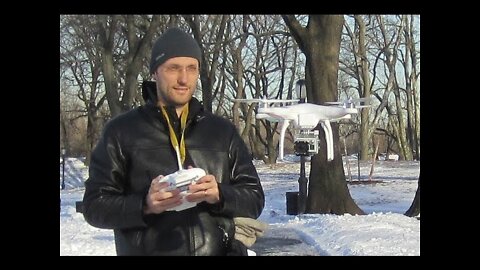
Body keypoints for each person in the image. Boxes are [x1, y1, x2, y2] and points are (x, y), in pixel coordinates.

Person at [82, 27, 265, 256]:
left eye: (191, 69)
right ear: (155, 72)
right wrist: (145, 204)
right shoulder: (121, 131)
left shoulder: (222, 131)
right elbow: (94, 205)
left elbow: (255, 199)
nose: (183, 79)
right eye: (173, 68)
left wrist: (219, 194)